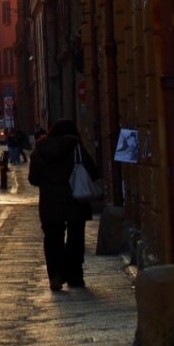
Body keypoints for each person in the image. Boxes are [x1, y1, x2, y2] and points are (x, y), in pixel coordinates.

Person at [27, 118, 99, 291]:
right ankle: (75, 276)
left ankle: (56, 276)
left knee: (52, 238)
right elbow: (93, 172)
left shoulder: (40, 148)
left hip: (50, 202)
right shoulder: (76, 147)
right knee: (76, 237)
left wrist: (49, 181)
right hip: (75, 200)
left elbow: (33, 179)